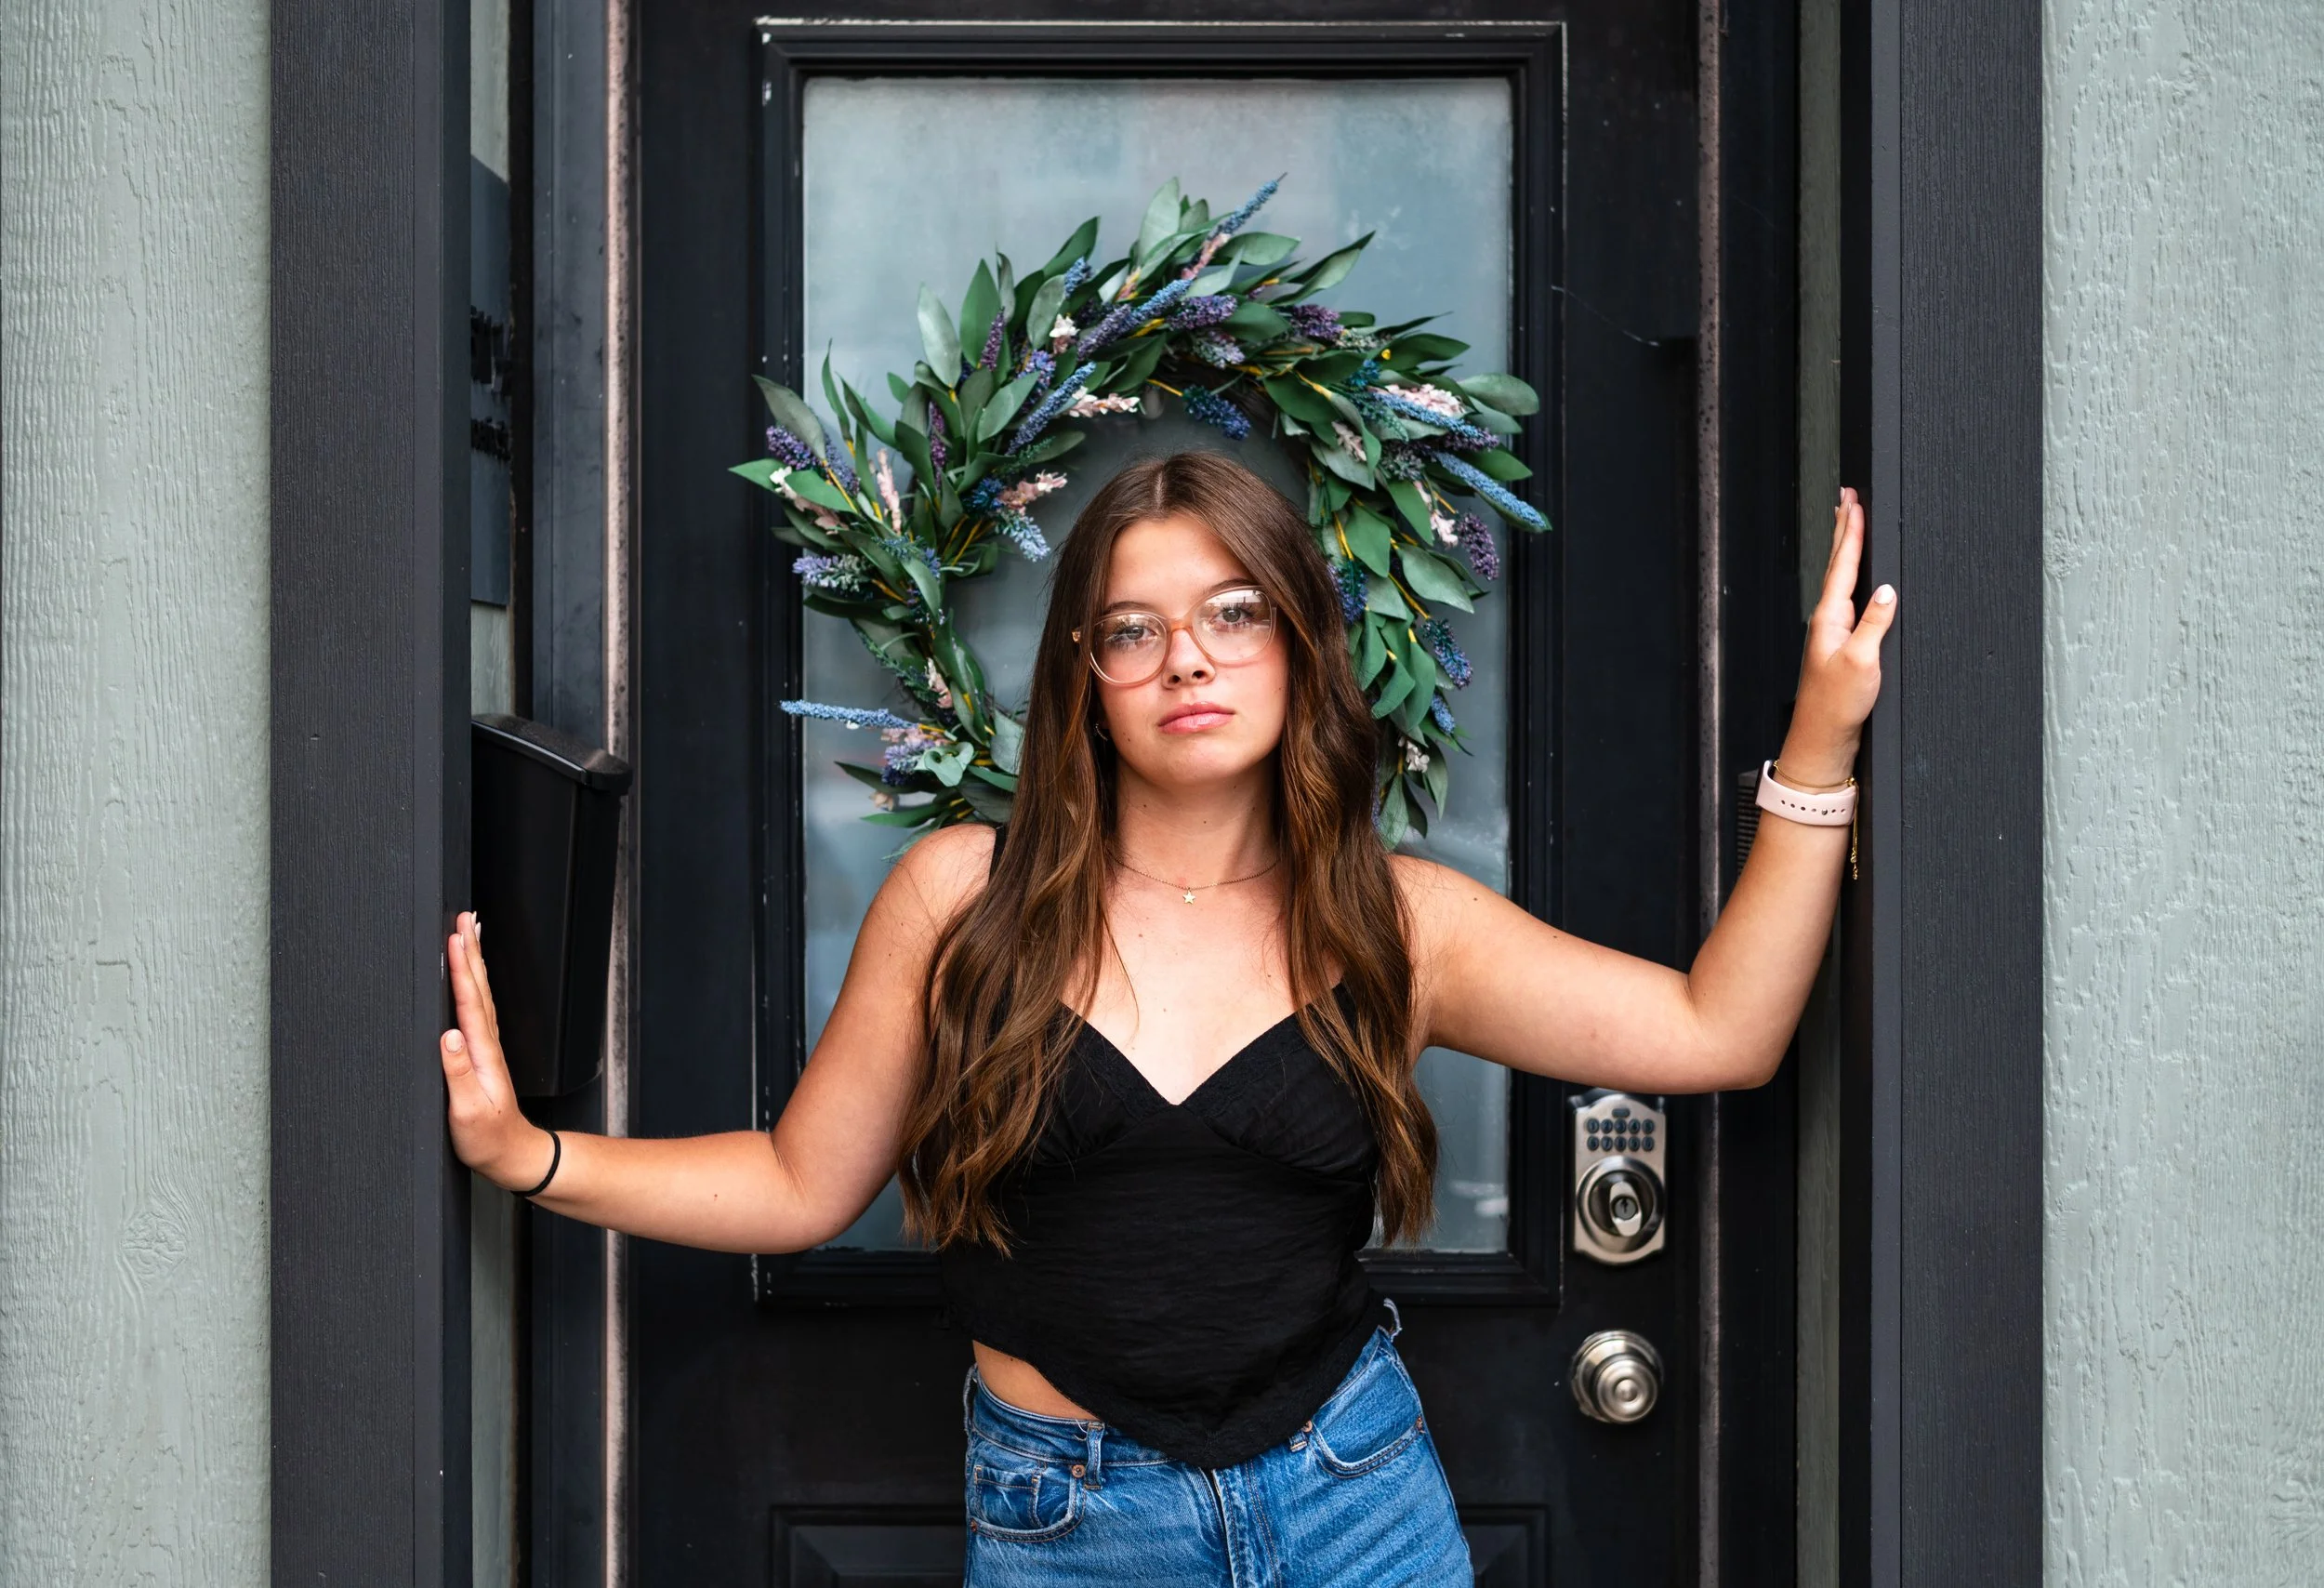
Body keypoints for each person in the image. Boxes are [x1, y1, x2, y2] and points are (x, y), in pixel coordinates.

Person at [438, 451, 1894, 1586]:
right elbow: (799, 1182)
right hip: (1069, 1523)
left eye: (1233, 615)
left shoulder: (1400, 923)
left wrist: (1821, 735)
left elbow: (1722, 1031)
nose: (1186, 660)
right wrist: (532, 1159)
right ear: (1087, 679)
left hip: (1355, 1500)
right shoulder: (965, 898)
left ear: (1300, 647)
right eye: (1132, 631)